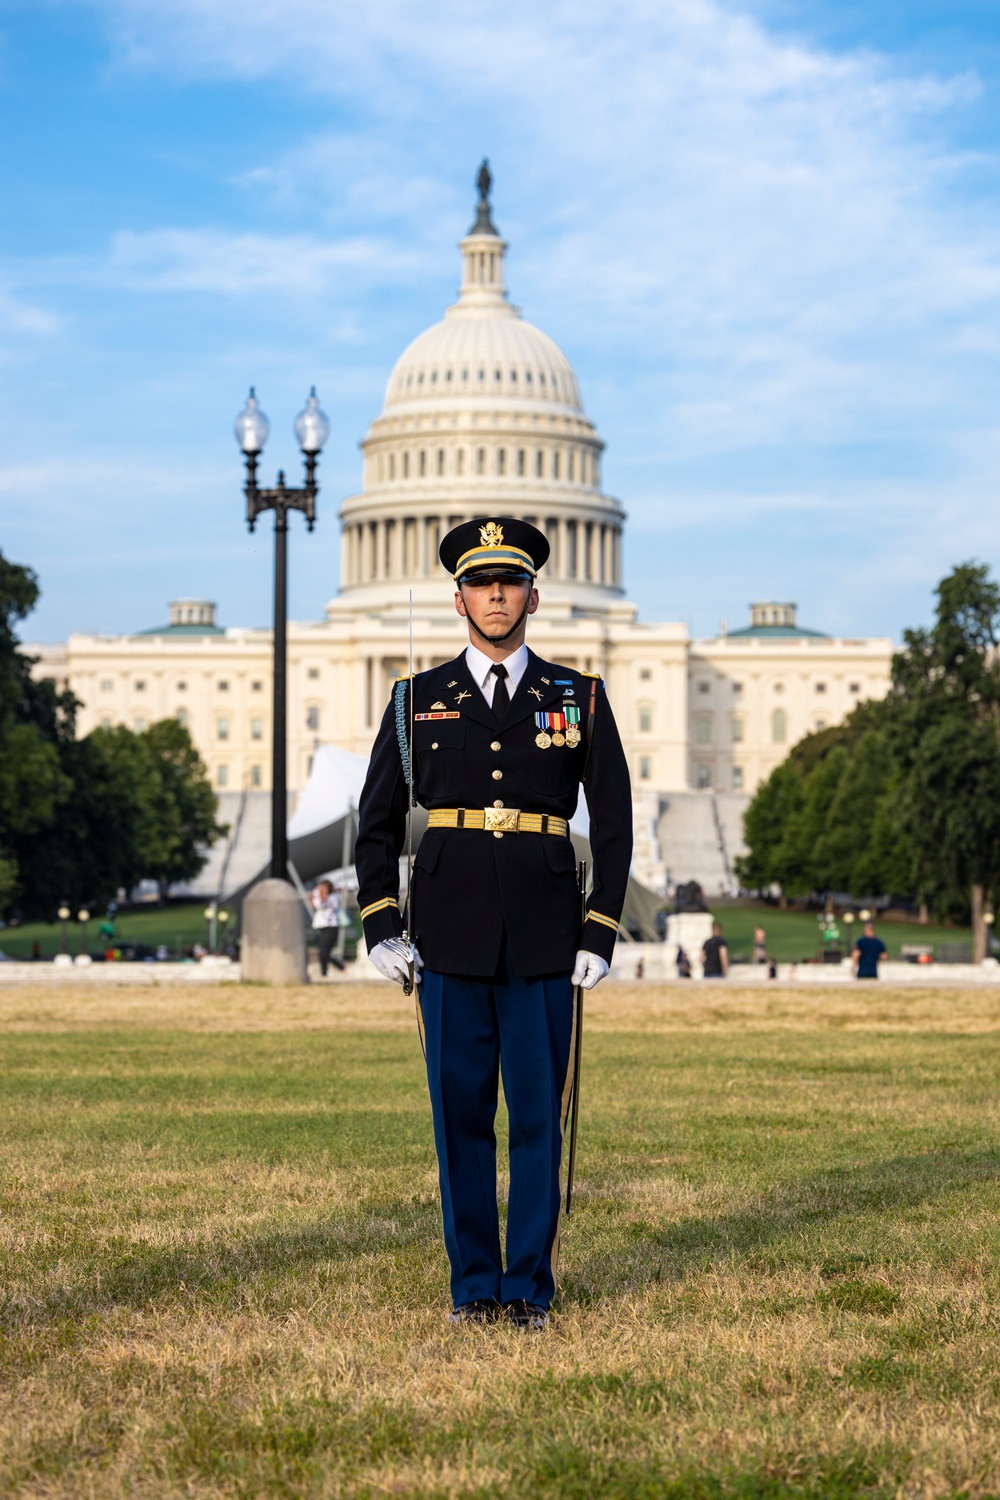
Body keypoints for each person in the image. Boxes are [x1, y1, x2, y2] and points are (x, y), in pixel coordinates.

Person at [355, 516, 632, 1331]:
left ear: (534, 595)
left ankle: (530, 1290)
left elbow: (612, 820)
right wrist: (380, 925)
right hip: (448, 931)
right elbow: (376, 822)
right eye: (482, 583)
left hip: (547, 933)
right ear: (459, 599)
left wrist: (600, 929)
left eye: (510, 582)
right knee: (461, 1118)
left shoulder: (578, 697)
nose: (497, 595)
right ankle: (475, 1286)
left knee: (538, 1119)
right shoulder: (416, 700)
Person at [310, 879, 344, 976]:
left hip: (331, 926)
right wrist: (312, 897)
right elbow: (315, 905)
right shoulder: (320, 896)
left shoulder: (333, 897)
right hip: (321, 927)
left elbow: (323, 903)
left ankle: (341, 968)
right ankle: (324, 973)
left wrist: (322, 893)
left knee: (325, 952)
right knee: (322, 952)